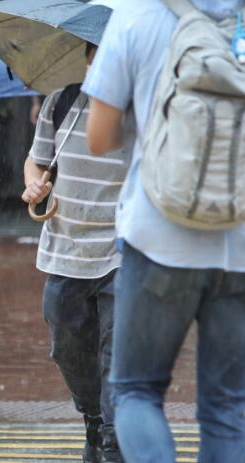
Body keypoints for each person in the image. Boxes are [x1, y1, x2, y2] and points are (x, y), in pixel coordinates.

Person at [83, 1, 245, 461]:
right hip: (238, 240)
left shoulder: (136, 16)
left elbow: (99, 137)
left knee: (136, 391)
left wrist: (144, 121)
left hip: (156, 234)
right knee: (228, 405)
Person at [23, 43, 130, 463]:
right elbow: (35, 161)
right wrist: (34, 183)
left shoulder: (143, 108)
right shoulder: (61, 102)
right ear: (86, 57)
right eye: (98, 55)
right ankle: (92, 415)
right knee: (66, 344)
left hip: (123, 251)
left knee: (116, 349)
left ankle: (112, 439)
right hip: (66, 250)